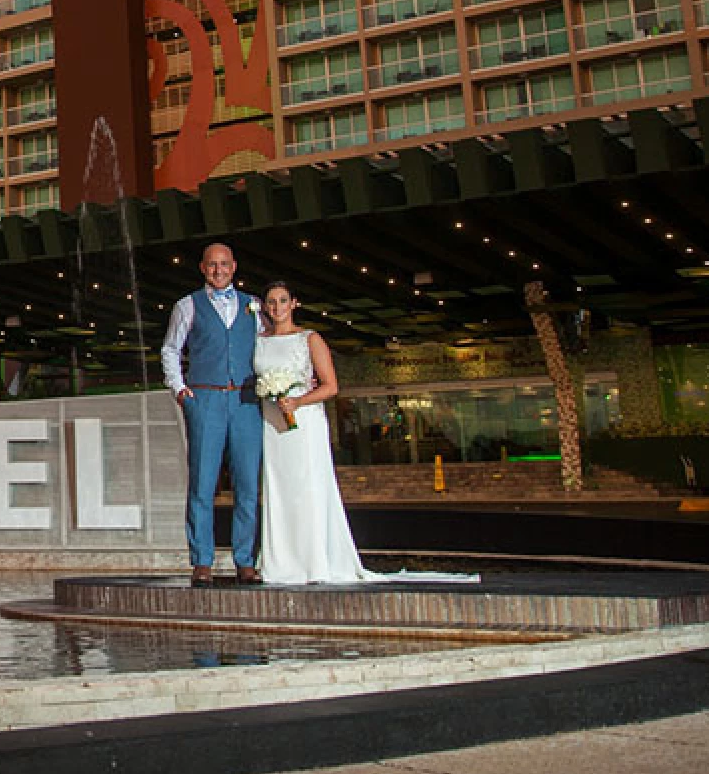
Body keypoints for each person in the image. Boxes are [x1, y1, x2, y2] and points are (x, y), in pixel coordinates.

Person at [254, 280, 475, 586]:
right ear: (265, 306)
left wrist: (298, 400)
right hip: (272, 424)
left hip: (304, 424)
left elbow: (331, 387)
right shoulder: (259, 342)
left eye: (282, 301)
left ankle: (315, 561)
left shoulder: (310, 339)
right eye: (271, 302)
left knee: (308, 487)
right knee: (278, 489)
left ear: (294, 303)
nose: (276, 307)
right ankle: (281, 563)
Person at [159, 242, 263, 587]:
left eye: (224, 264)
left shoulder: (254, 307)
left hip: (246, 401)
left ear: (234, 267)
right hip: (205, 399)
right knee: (203, 483)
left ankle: (245, 561)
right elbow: (171, 349)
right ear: (203, 268)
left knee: (248, 485)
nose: (218, 270)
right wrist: (180, 389)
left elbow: (267, 349)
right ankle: (202, 560)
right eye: (212, 265)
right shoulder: (187, 305)